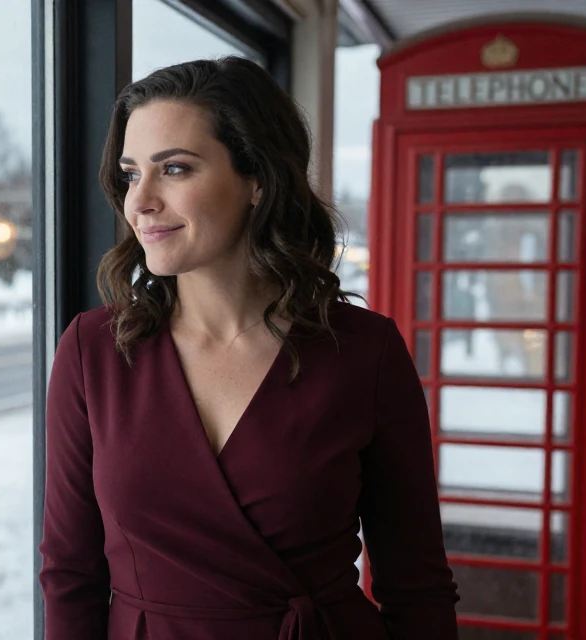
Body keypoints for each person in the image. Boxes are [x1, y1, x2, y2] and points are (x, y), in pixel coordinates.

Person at [38, 57, 459, 639]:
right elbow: (69, 573)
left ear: (257, 179)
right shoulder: (93, 351)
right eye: (132, 174)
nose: (141, 202)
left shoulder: (365, 352)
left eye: (176, 169)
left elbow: (418, 586)